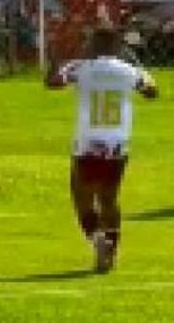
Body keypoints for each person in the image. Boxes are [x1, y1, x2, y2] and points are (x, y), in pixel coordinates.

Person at [47, 24, 158, 274]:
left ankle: (98, 242)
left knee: (81, 197)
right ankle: (112, 249)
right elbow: (152, 92)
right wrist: (144, 74)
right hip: (118, 144)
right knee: (109, 199)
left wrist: (54, 59)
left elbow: (53, 82)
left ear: (96, 45)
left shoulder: (81, 69)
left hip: (88, 143)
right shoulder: (128, 71)